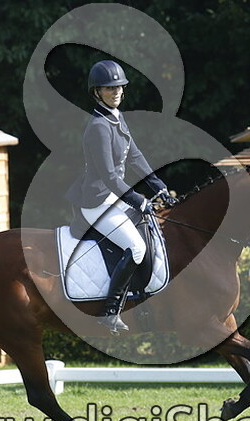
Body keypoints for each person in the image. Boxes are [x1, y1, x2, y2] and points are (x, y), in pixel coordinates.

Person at [65, 60, 177, 333]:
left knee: (150, 230)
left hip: (113, 198)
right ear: (97, 92)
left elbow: (135, 157)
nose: (116, 92)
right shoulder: (99, 127)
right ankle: (110, 310)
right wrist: (139, 200)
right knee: (136, 247)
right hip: (97, 201)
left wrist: (159, 187)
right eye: (109, 88)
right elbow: (109, 177)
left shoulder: (116, 117)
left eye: (119, 87)